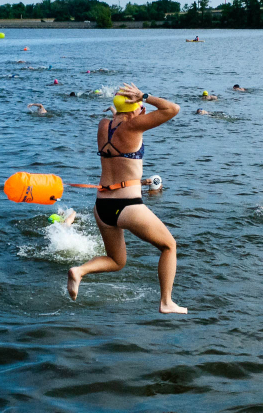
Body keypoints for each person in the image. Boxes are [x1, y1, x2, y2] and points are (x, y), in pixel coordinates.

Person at [67, 83, 186, 314]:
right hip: (128, 205)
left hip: (101, 207)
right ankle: (166, 301)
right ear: (136, 108)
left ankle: (80, 271)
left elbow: (117, 123)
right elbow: (172, 109)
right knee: (169, 246)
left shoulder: (104, 125)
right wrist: (145, 96)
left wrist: (125, 110)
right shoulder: (133, 127)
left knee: (117, 261)